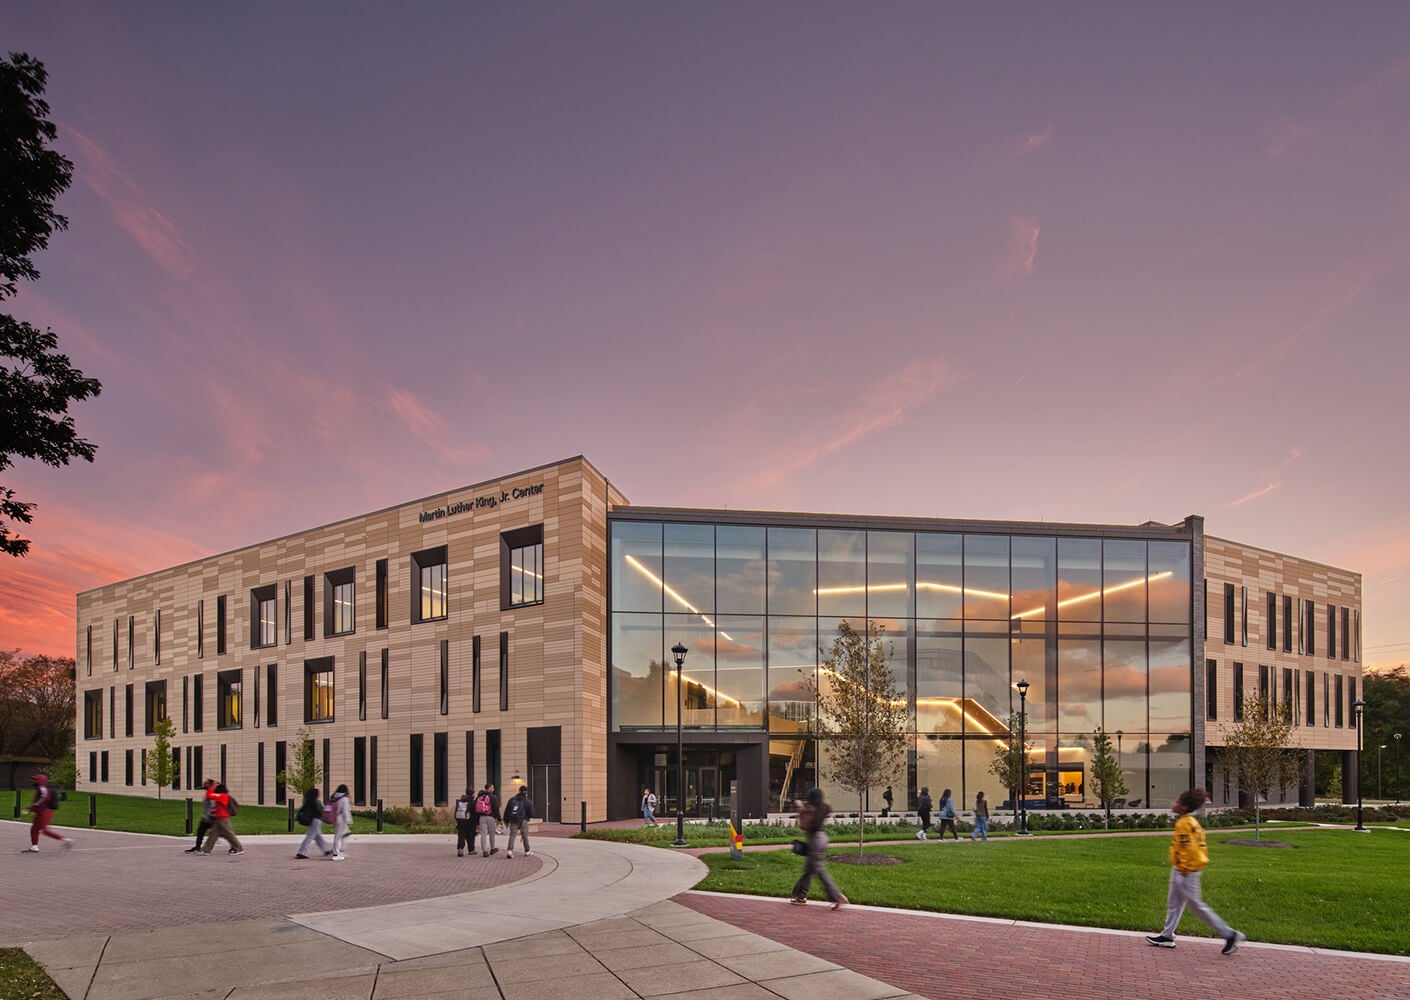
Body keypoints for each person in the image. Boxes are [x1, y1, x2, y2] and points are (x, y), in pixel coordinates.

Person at [1146, 787, 1246, 955]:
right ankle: (1167, 935)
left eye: (1177, 802)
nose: (1174, 804)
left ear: (1183, 807)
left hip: (1187, 870)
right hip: (1181, 868)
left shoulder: (1185, 824)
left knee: (1196, 905)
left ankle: (1230, 934)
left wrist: (1184, 869)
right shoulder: (1188, 821)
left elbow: (1190, 849)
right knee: (1174, 903)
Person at [789, 787, 846, 909]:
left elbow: (804, 826)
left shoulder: (810, 810)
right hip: (822, 838)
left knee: (819, 871)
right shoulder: (824, 808)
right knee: (809, 870)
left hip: (814, 840)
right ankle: (800, 896)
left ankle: (837, 896)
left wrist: (799, 809)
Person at [24, 773, 72, 853]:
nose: (34, 781)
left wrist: (33, 807)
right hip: (41, 812)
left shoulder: (42, 789)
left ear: (41, 781)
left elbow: (43, 799)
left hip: (44, 813)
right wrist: (32, 808)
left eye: (36, 780)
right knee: (34, 829)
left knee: (44, 830)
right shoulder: (40, 788)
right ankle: (34, 846)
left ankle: (66, 839)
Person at [199, 782, 243, 855]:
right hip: (219, 817)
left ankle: (239, 848)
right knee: (213, 834)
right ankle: (206, 850)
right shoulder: (223, 796)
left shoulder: (222, 796)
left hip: (223, 818)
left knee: (229, 834)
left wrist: (211, 788)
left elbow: (210, 796)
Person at [295, 786, 332, 859]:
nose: (320, 794)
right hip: (316, 820)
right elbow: (320, 811)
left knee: (318, 836)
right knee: (310, 836)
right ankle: (301, 852)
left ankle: (325, 849)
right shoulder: (317, 801)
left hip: (310, 819)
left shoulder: (307, 801)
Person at [184, 778, 216, 853]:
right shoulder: (209, 792)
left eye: (206, 783)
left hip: (209, 818)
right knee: (201, 832)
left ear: (210, 785)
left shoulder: (211, 792)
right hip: (208, 817)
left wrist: (209, 815)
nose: (204, 784)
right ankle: (197, 847)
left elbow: (213, 805)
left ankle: (198, 847)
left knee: (202, 831)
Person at [503, 784, 534, 858]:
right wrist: (528, 817)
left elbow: (507, 810)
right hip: (524, 820)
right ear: (526, 792)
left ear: (519, 791)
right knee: (525, 836)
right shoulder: (527, 801)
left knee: (512, 835)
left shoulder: (512, 800)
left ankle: (510, 851)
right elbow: (532, 813)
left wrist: (506, 820)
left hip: (513, 820)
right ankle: (527, 851)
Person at [475, 783, 501, 857]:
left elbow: (475, 807)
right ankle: (492, 848)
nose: (493, 789)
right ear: (489, 788)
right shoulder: (493, 797)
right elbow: (496, 808)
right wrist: (499, 818)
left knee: (483, 834)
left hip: (481, 817)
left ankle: (484, 851)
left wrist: (477, 820)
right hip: (490, 817)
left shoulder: (479, 796)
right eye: (492, 787)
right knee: (492, 834)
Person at [329, 784, 352, 860]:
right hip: (341, 818)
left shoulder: (335, 797)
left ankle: (337, 852)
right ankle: (336, 854)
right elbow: (345, 811)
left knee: (337, 836)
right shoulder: (344, 799)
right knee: (339, 836)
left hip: (335, 817)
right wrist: (348, 821)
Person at [454, 785, 478, 857]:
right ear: (473, 793)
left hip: (461, 821)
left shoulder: (460, 801)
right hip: (470, 822)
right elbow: (475, 813)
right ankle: (471, 850)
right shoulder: (472, 802)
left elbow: (456, 811)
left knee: (461, 836)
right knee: (470, 836)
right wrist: (477, 822)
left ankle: (460, 849)